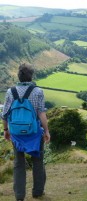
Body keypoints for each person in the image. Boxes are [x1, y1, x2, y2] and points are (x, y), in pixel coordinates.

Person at [1, 63, 50, 201]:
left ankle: (19, 196)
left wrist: (6, 130)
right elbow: (41, 114)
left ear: (19, 76)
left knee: (18, 163)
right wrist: (46, 131)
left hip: (17, 133)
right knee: (38, 160)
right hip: (34, 133)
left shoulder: (11, 92)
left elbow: (4, 114)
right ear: (31, 76)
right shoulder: (38, 91)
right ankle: (38, 192)